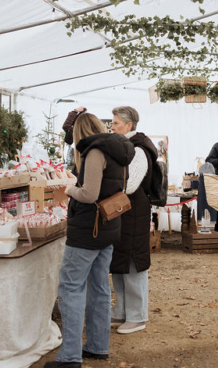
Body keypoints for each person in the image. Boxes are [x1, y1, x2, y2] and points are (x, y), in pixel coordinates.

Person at [48, 112, 135, 368]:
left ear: (79, 134)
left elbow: (89, 194)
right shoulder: (118, 150)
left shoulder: (95, 152)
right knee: (99, 287)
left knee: (70, 288)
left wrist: (69, 188)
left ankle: (70, 356)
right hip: (108, 226)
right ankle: (97, 346)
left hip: (89, 229)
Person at [108, 106, 158, 335]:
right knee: (120, 262)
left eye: (115, 123)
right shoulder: (124, 147)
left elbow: (129, 185)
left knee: (133, 263)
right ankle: (121, 311)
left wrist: (104, 184)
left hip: (134, 212)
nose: (111, 127)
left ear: (128, 125)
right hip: (123, 212)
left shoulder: (138, 150)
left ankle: (137, 316)